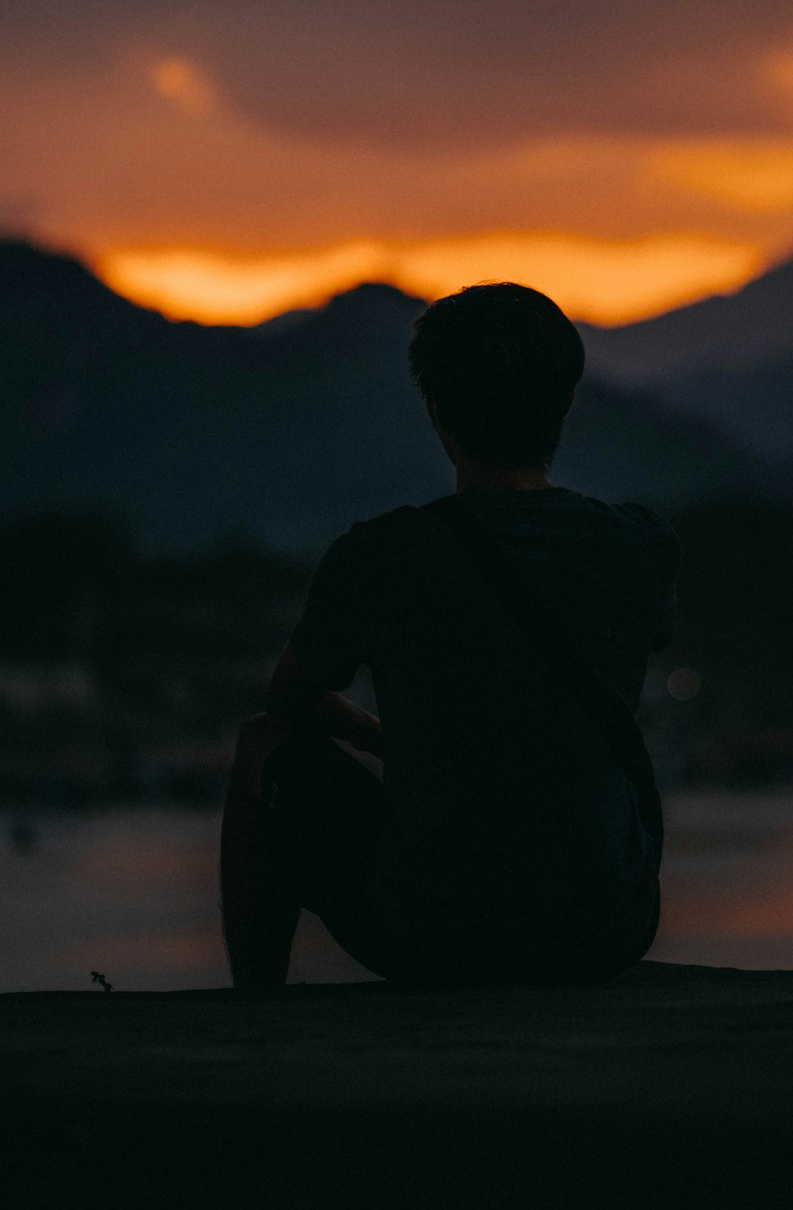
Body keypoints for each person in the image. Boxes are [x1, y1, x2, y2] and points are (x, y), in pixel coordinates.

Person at [220, 282, 678, 989]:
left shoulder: (382, 554)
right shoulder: (635, 547)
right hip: (606, 926)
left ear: (437, 412)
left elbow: (287, 703)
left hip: (438, 932)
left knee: (260, 746)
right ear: (564, 403)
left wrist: (379, 735)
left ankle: (254, 1010)